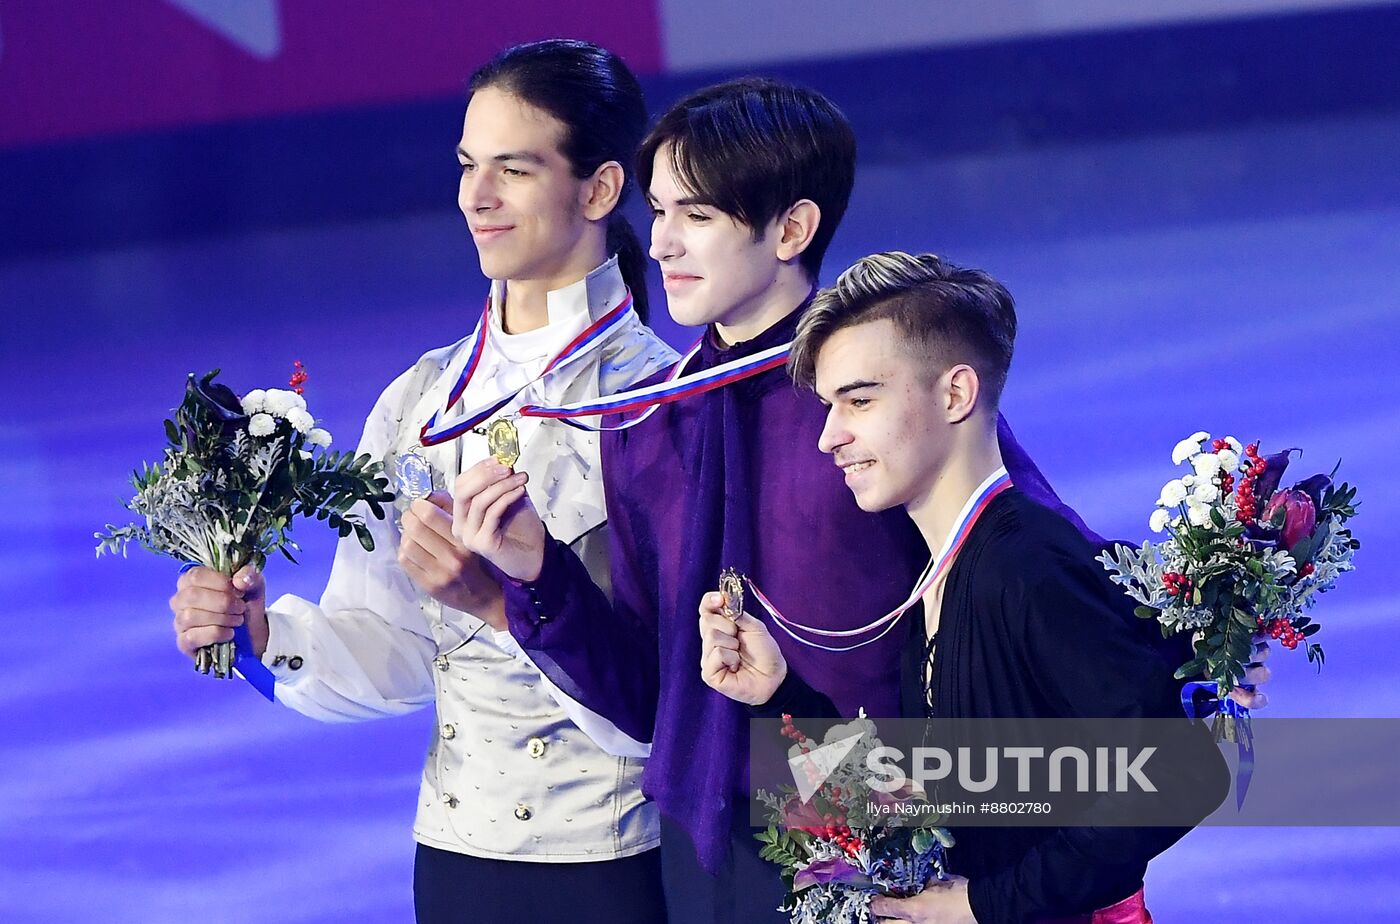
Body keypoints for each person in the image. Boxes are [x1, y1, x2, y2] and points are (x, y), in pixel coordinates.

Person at [451, 79, 1094, 924]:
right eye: (660, 211)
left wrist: (1184, 656)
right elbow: (650, 694)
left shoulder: (878, 403)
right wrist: (539, 574)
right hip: (709, 854)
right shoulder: (644, 421)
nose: (664, 242)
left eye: (698, 215)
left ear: (791, 229)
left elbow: (1038, 558)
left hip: (885, 827)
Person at [168, 39, 677, 924]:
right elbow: (394, 644)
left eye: (513, 169)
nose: (476, 197)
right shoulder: (419, 399)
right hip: (453, 858)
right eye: (468, 165)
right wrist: (260, 634)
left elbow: (666, 703)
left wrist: (501, 601)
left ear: (599, 190)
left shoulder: (661, 404)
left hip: (617, 859)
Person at [699, 252, 1245, 923]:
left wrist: (983, 904)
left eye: (859, 400)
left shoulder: (1026, 567)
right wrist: (780, 695)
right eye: (828, 405)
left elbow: (1180, 774)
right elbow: (924, 803)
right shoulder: (941, 570)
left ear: (955, 394)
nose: (828, 438)